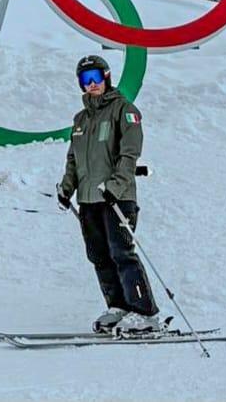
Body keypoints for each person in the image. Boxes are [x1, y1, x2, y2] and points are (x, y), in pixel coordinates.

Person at [56, 54, 161, 333]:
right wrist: (66, 189)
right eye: (85, 80)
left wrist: (115, 187)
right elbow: (73, 159)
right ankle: (118, 306)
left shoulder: (124, 110)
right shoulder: (81, 120)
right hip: (88, 200)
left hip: (117, 198)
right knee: (99, 255)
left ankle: (145, 313)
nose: (91, 84)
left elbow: (129, 154)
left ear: (106, 78)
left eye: (95, 78)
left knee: (121, 253)